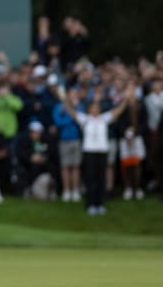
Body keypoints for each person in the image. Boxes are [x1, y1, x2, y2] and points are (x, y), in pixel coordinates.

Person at [57, 83, 133, 215]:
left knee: (100, 179)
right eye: (92, 108)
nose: (95, 110)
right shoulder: (85, 119)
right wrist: (65, 99)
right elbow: (72, 112)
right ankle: (90, 204)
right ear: (89, 109)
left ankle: (99, 204)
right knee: (91, 179)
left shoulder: (104, 118)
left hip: (101, 152)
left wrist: (125, 99)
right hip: (89, 152)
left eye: (97, 108)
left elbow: (118, 111)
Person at [53, 86, 83, 202]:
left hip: (76, 139)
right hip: (64, 139)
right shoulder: (59, 107)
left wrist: (71, 113)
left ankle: (75, 190)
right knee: (65, 166)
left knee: (75, 166)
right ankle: (67, 190)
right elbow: (57, 121)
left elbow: (80, 119)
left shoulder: (78, 106)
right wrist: (70, 118)